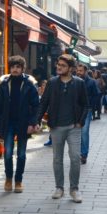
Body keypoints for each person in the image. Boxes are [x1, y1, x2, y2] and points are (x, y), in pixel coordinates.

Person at [38, 54, 88, 203]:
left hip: (74, 127)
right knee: (57, 159)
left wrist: (80, 122)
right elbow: (44, 102)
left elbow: (86, 104)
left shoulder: (79, 83)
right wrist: (36, 120)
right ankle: (59, 187)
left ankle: (74, 189)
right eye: (58, 64)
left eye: (63, 65)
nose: (59, 67)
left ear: (71, 69)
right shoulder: (52, 83)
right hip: (56, 127)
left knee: (75, 158)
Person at [0, 56, 40, 193]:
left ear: (22, 69)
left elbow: (36, 106)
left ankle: (18, 181)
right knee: (7, 153)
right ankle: (8, 178)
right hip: (8, 123)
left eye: (18, 67)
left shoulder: (29, 84)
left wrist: (33, 122)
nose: (15, 69)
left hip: (23, 123)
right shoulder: (4, 84)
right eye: (12, 67)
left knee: (22, 154)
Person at [77, 64, 101, 164]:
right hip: (75, 110)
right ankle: (77, 153)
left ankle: (83, 154)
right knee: (75, 133)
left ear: (86, 71)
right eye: (77, 70)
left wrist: (91, 105)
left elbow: (97, 94)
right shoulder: (74, 81)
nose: (78, 72)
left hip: (86, 110)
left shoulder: (92, 82)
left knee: (84, 132)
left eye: (81, 71)